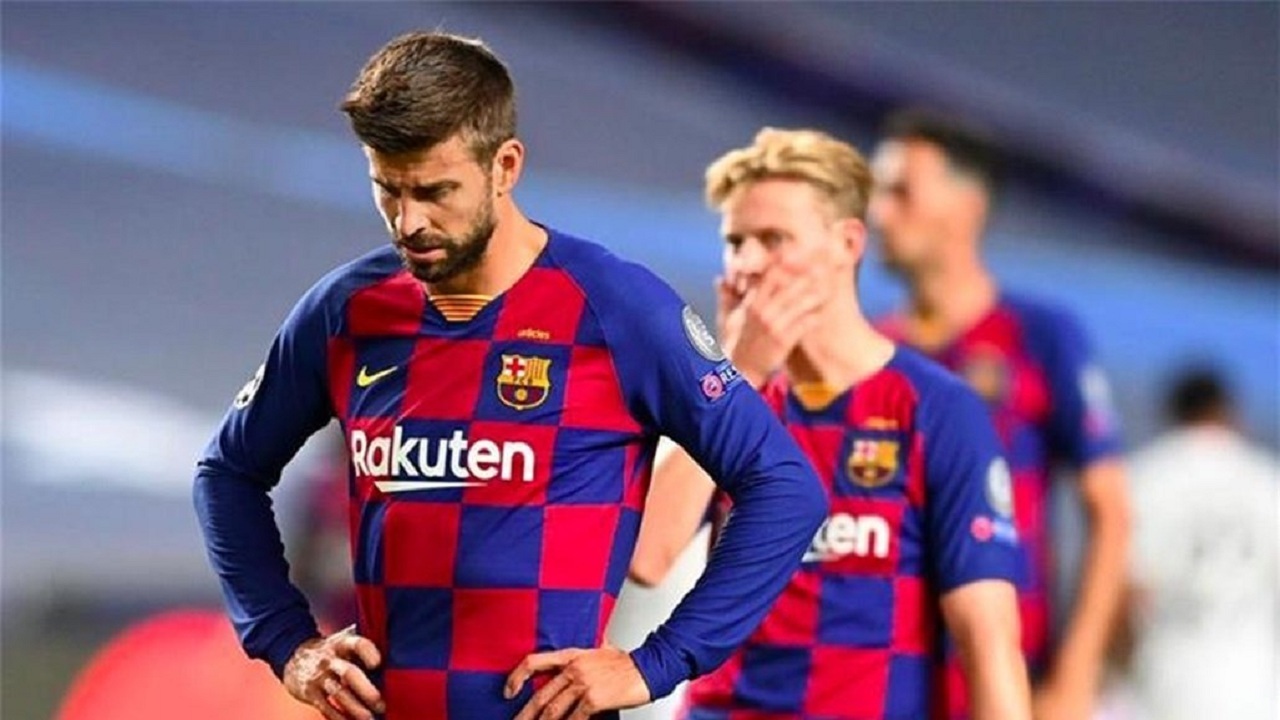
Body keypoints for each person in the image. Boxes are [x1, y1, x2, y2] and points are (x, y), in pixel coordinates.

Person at [193, 31, 827, 720]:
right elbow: (227, 471)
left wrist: (659, 663)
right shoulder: (347, 310)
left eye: (435, 191)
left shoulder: (615, 309)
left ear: (505, 166)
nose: (409, 221)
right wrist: (286, 642)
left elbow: (784, 487)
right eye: (387, 189)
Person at [631, 127, 1031, 719]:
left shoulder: (936, 409)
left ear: (847, 243)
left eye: (774, 239)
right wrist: (737, 373)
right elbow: (646, 556)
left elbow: (988, 641)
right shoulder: (725, 397)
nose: (747, 263)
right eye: (735, 241)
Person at [867, 110, 1130, 720]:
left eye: (901, 192)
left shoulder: (1040, 336)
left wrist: (1075, 676)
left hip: (1005, 686)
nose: (878, 213)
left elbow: (1111, 512)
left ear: (967, 207)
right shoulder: (872, 350)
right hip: (883, 684)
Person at [1121, 367, 1277, 720]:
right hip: (1258, 692)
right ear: (1231, 414)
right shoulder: (1268, 481)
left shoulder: (1145, 476)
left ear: (1173, 414)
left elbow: (1122, 591)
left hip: (1166, 689)